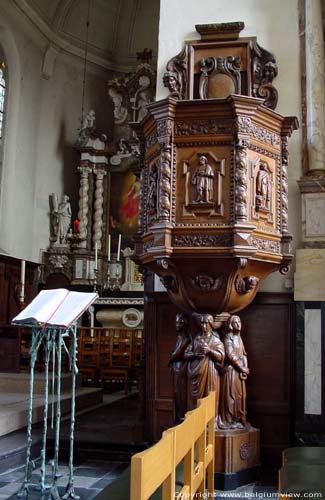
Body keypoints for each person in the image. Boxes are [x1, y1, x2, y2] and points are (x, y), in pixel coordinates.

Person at [186, 314, 225, 422]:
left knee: (209, 396)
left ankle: (209, 422)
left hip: (210, 372)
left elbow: (221, 356)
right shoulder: (196, 339)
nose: (203, 326)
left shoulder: (215, 340)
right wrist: (195, 354)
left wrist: (209, 351)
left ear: (211, 324)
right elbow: (186, 354)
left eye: (206, 323)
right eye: (202, 323)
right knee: (196, 399)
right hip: (196, 372)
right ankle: (196, 422)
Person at [218, 315, 249, 429]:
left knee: (240, 396)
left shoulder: (239, 338)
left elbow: (244, 354)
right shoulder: (227, 338)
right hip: (230, 372)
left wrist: (245, 367)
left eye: (239, 321)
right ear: (230, 325)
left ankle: (237, 418)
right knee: (230, 397)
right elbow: (230, 355)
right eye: (235, 322)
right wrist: (242, 368)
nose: (238, 324)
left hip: (239, 374)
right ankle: (228, 420)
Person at [169, 313, 191, 422]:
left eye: (180, 323)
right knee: (176, 393)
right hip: (176, 367)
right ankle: (178, 417)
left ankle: (181, 418)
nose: (178, 325)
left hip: (180, 368)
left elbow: (177, 353)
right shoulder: (180, 336)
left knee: (180, 393)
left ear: (185, 324)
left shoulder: (185, 338)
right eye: (177, 322)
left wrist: (170, 359)